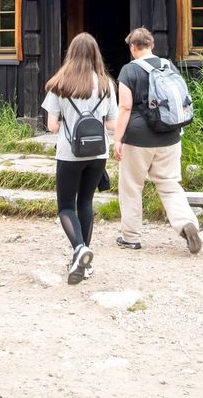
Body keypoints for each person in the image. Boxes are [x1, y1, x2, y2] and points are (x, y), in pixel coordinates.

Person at [112, 27, 202, 254]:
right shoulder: (168, 65)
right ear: (152, 45)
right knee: (170, 184)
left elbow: (124, 107)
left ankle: (130, 237)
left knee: (132, 187)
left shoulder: (128, 70)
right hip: (170, 135)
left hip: (138, 138)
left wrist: (117, 139)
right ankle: (186, 223)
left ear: (133, 47)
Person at [43, 32, 118, 284]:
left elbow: (52, 126)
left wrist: (70, 118)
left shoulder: (60, 83)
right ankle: (84, 265)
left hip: (68, 153)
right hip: (98, 153)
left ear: (71, 54)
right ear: (96, 54)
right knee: (86, 202)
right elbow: (111, 124)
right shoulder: (107, 84)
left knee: (66, 206)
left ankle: (79, 249)